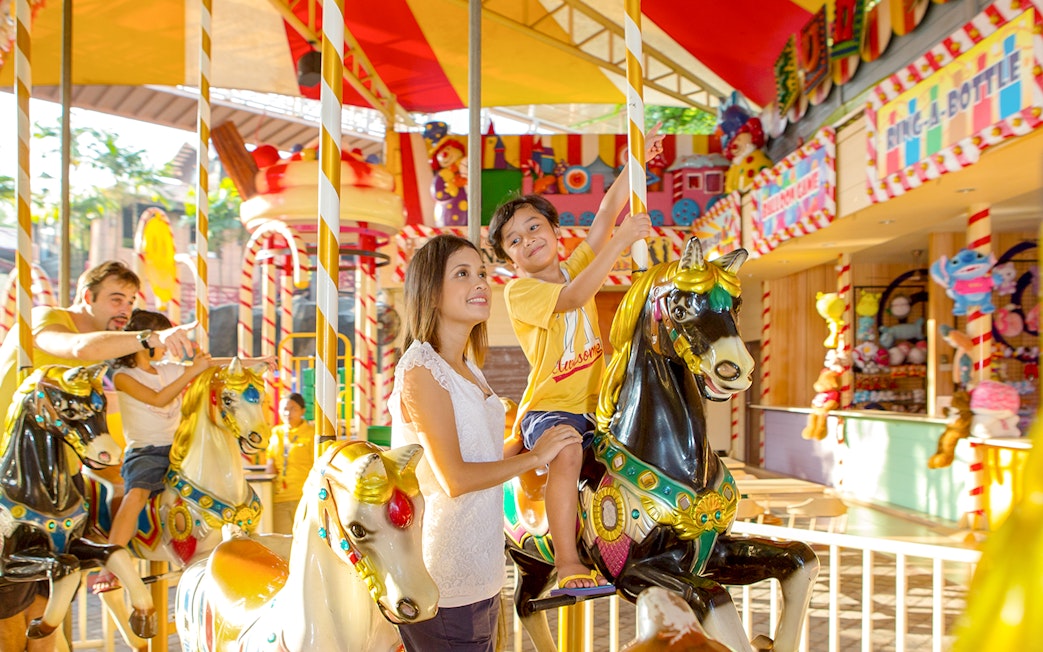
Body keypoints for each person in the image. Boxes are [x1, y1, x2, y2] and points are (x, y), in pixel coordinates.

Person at [486, 126, 662, 594]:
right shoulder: (521, 290)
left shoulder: (574, 262)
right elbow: (574, 296)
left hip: (599, 407)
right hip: (552, 408)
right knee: (566, 452)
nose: (526, 240)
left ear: (555, 232)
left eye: (533, 228)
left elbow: (605, 213)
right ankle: (567, 564)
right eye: (513, 241)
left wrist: (637, 162)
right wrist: (620, 244)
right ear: (509, 259)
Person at [390, 234, 581, 652]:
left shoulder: (470, 370)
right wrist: (534, 455)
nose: (480, 283)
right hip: (444, 574)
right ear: (431, 292)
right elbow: (455, 478)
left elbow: (484, 459)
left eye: (482, 273)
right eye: (463, 274)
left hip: (484, 569)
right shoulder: (422, 370)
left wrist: (536, 442)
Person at [0, 260, 195, 652]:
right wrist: (147, 338)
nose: (125, 309)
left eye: (131, 300)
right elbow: (75, 346)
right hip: (10, 462)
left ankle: (104, 573)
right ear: (86, 297)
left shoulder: (101, 358)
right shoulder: (46, 319)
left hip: (56, 470)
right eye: (115, 298)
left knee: (47, 601)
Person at [90, 309, 216, 592]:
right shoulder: (123, 375)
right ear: (146, 341)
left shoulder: (166, 369)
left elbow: (209, 365)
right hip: (146, 452)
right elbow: (159, 400)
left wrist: (254, 362)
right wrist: (193, 371)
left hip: (177, 449)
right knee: (136, 495)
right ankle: (111, 562)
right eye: (163, 339)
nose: (168, 346)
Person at [261, 392, 316, 534]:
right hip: (280, 499)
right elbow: (270, 462)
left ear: (303, 411)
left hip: (304, 497)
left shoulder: (311, 433)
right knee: (282, 542)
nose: (287, 413)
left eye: (293, 408)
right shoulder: (276, 432)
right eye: (284, 408)